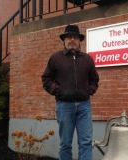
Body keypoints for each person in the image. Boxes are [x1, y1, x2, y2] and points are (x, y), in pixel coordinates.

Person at [41, 24, 99, 160]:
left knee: (85, 142)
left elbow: (94, 79)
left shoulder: (87, 59)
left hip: (84, 106)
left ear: (79, 40)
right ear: (64, 40)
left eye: (75, 37)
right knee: (65, 144)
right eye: (69, 37)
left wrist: (89, 90)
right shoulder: (55, 58)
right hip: (64, 106)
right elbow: (46, 78)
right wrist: (57, 90)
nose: (72, 40)